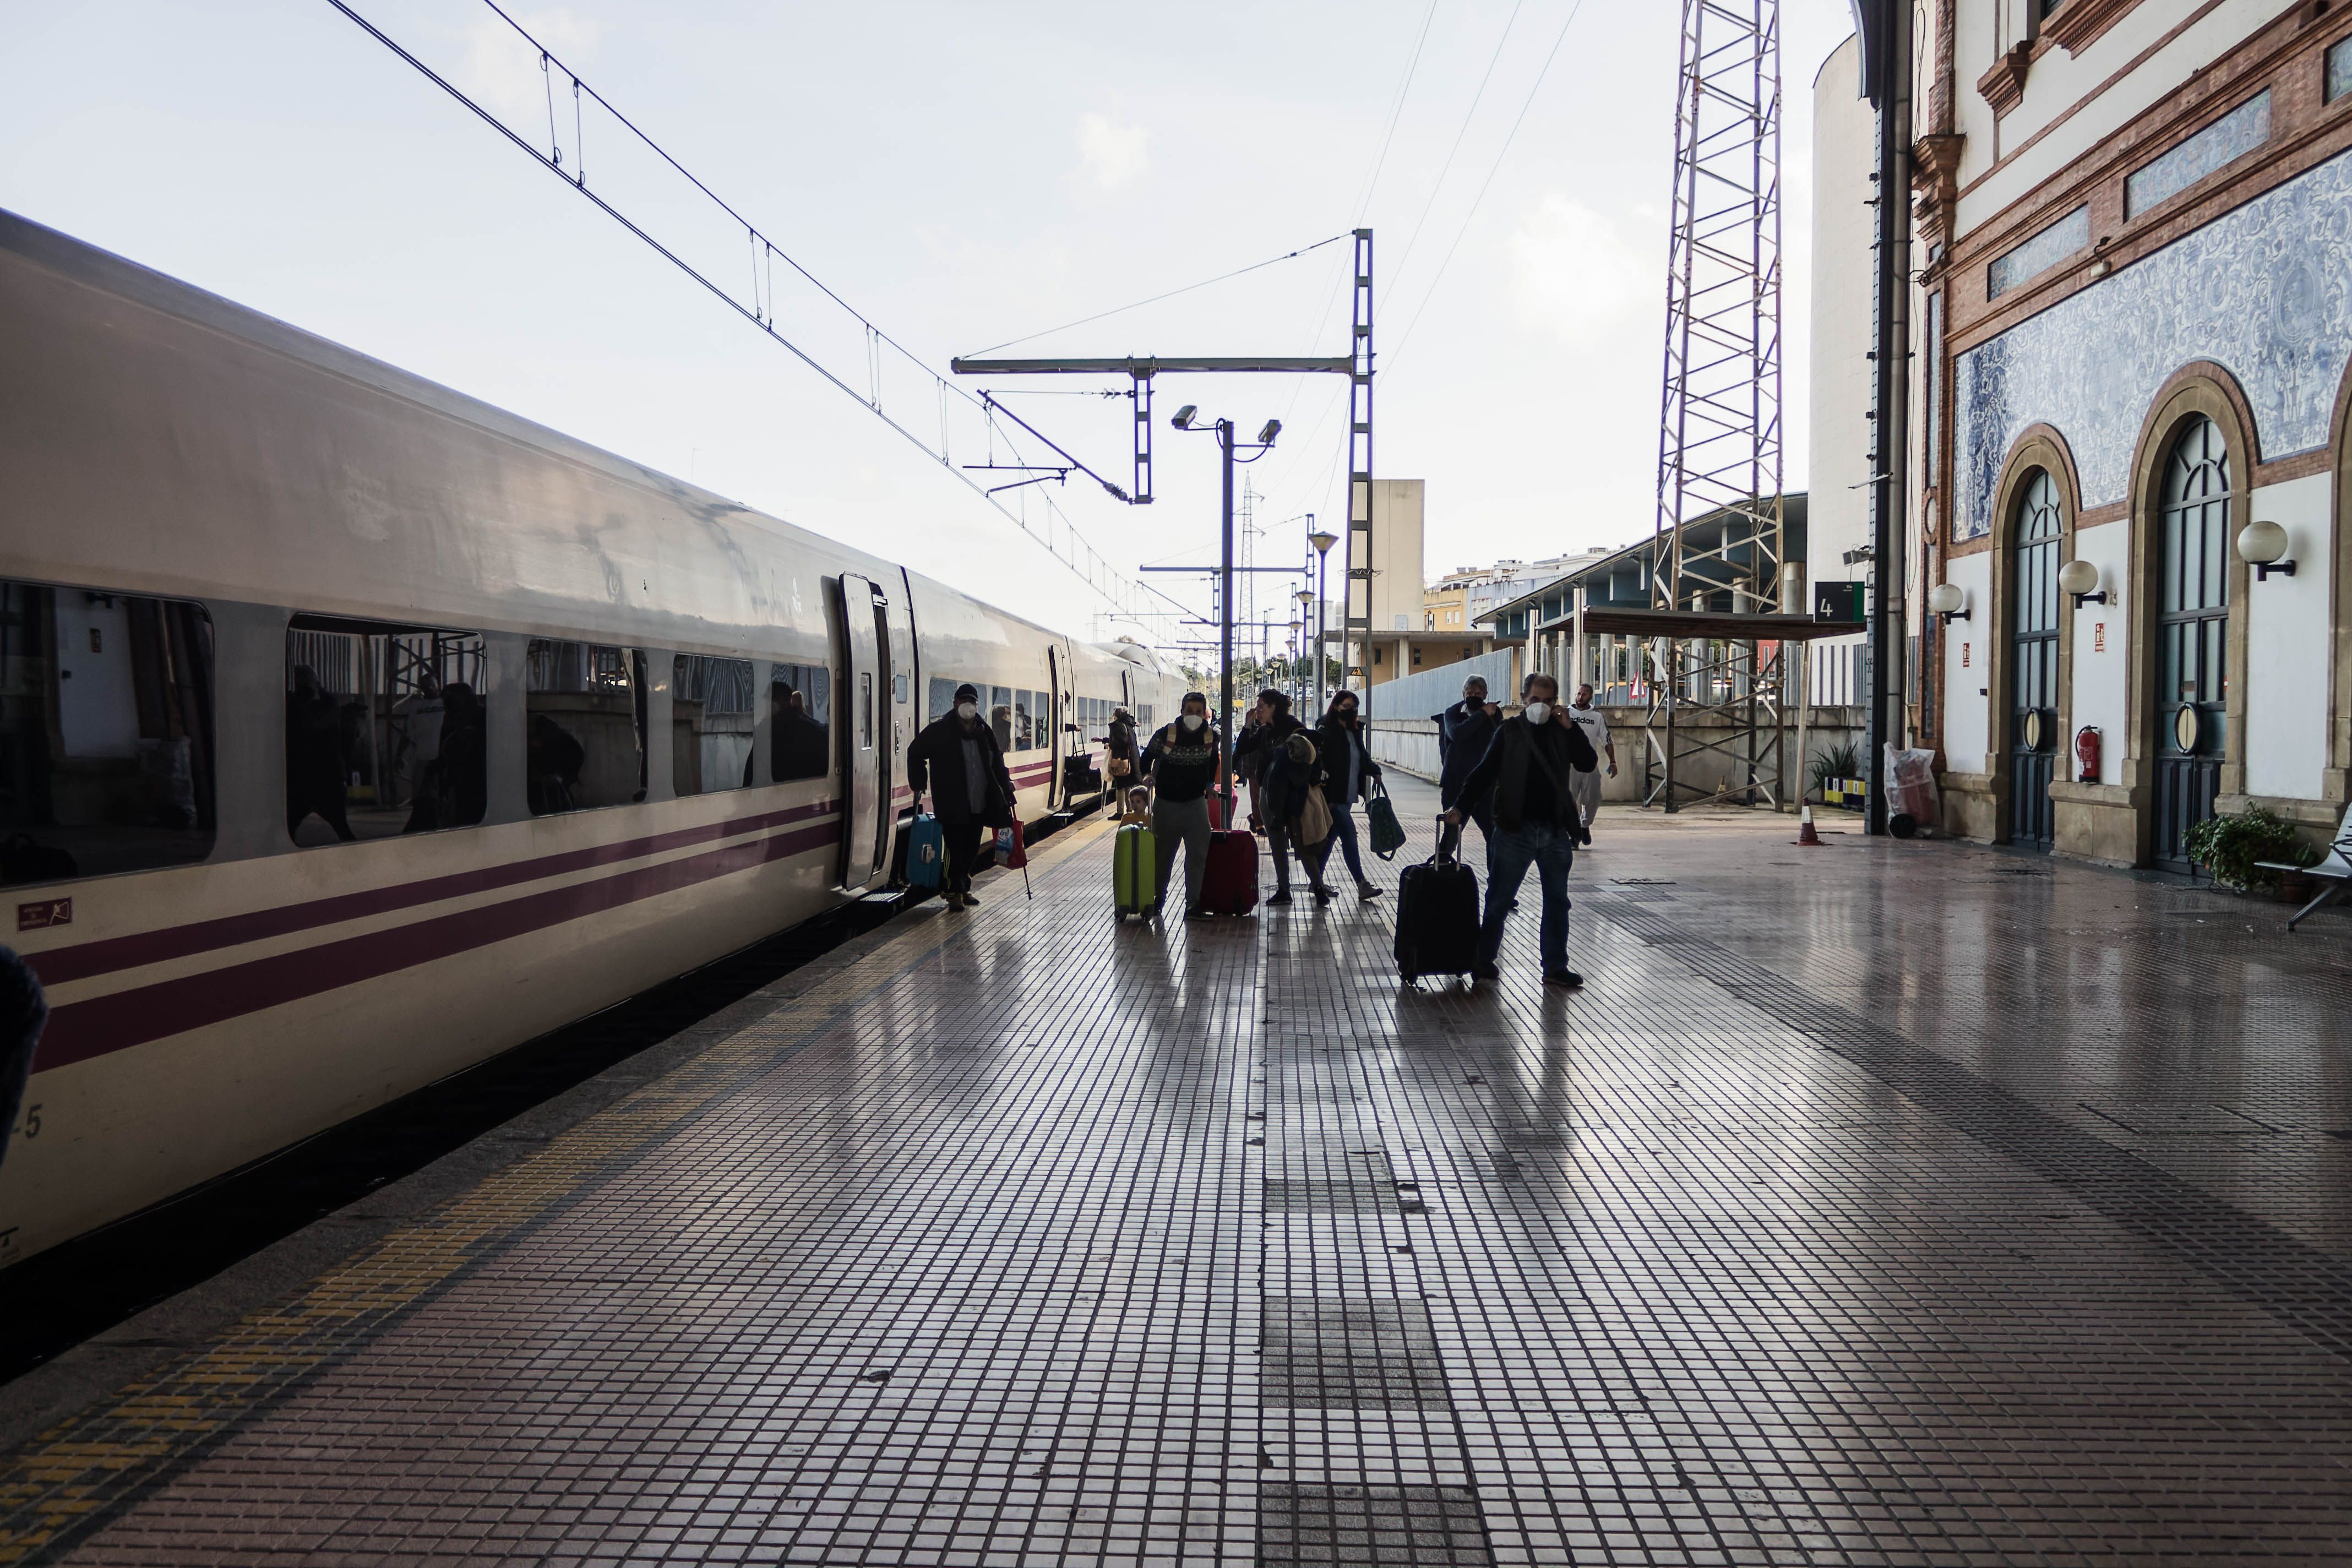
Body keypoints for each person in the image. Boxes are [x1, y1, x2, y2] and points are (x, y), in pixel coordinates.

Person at [1444, 672, 1599, 988]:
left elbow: (1587, 763)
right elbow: (1484, 772)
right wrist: (1461, 807)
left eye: (1547, 701)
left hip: (1555, 831)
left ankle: (1555, 967)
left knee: (1558, 902)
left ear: (1557, 702)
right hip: (1515, 830)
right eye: (1534, 701)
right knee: (1499, 899)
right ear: (1523, 699)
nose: (1540, 706)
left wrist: (1572, 730)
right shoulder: (1510, 730)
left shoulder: (1563, 730)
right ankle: (1483, 960)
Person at [907, 682, 1016, 910]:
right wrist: (919, 781)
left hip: (979, 802)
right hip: (952, 802)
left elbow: (997, 760)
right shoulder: (941, 731)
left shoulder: (984, 732)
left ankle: (963, 887)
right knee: (955, 850)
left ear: (977, 705)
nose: (968, 705)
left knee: (971, 848)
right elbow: (915, 751)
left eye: (972, 702)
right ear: (955, 703)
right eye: (963, 701)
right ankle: (952, 892)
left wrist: (1006, 783)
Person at [1232, 689, 1322, 905]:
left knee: (1299, 838)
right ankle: (1285, 889)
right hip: (1269, 792)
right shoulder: (1266, 731)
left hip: (1291, 793)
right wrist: (1247, 725)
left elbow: (1313, 749)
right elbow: (1242, 748)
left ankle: (1318, 887)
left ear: (1273, 707)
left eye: (1261, 706)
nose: (1258, 710)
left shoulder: (1294, 728)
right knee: (1276, 840)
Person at [1141, 691, 1221, 919]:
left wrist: (1209, 786)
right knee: (1162, 856)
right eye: (1189, 711)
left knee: (1198, 856)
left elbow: (1212, 762)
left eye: (1198, 711)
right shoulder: (1167, 734)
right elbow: (1146, 758)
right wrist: (1147, 776)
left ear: (1205, 713)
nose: (1194, 716)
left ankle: (1193, 906)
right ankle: (1156, 901)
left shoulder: (1210, 737)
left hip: (1196, 805)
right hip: (1166, 805)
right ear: (1182, 711)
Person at [1310, 690, 1384, 900]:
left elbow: (1361, 755)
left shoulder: (1354, 730)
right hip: (1334, 798)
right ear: (1336, 706)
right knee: (1350, 837)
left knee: (1330, 838)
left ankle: (1316, 882)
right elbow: (1321, 763)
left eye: (1352, 706)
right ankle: (1362, 884)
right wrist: (1328, 797)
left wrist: (1374, 770)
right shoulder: (1325, 728)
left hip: (1349, 794)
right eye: (1345, 706)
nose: (1349, 710)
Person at [1431, 674, 1501, 866]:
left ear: (1486, 694)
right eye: (1470, 693)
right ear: (1463, 694)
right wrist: (1481, 715)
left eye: (1478, 694)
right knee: (1451, 835)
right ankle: (1439, 874)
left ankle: (1496, 884)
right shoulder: (1452, 713)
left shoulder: (1495, 714)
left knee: (1493, 835)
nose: (1473, 696)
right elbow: (1458, 734)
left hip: (1485, 787)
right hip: (1456, 785)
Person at [286, 665, 357, 842]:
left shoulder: (326, 706)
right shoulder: (303, 706)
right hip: (308, 779)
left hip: (326, 779)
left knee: (341, 827)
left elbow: (309, 725)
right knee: (290, 825)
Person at [1565, 683, 1617, 845]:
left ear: (1591, 697)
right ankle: (1574, 835)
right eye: (1579, 693)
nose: (1581, 697)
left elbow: (1607, 740)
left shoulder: (1597, 717)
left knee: (1593, 798)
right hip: (1569, 764)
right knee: (1569, 799)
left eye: (1585, 694)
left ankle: (1584, 825)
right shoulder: (1565, 714)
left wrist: (1613, 762)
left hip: (1589, 763)